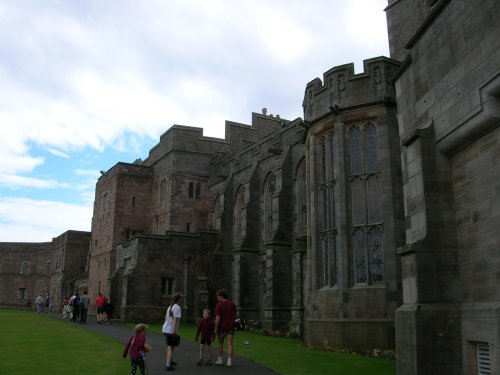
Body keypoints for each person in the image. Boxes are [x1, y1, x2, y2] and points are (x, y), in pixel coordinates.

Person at [214, 289, 237, 367]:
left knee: (220, 343)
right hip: (230, 327)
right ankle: (229, 361)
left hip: (221, 327)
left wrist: (216, 327)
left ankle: (220, 360)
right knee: (230, 344)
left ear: (221, 296)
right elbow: (235, 315)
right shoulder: (232, 304)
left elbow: (218, 317)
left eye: (218, 297)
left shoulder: (219, 305)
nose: (217, 298)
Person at [162, 293, 182, 371]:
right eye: (181, 298)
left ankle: (170, 360)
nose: (182, 300)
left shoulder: (170, 307)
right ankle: (168, 365)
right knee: (170, 346)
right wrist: (174, 331)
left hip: (165, 329)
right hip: (170, 330)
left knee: (170, 346)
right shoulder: (177, 307)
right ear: (179, 299)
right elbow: (174, 320)